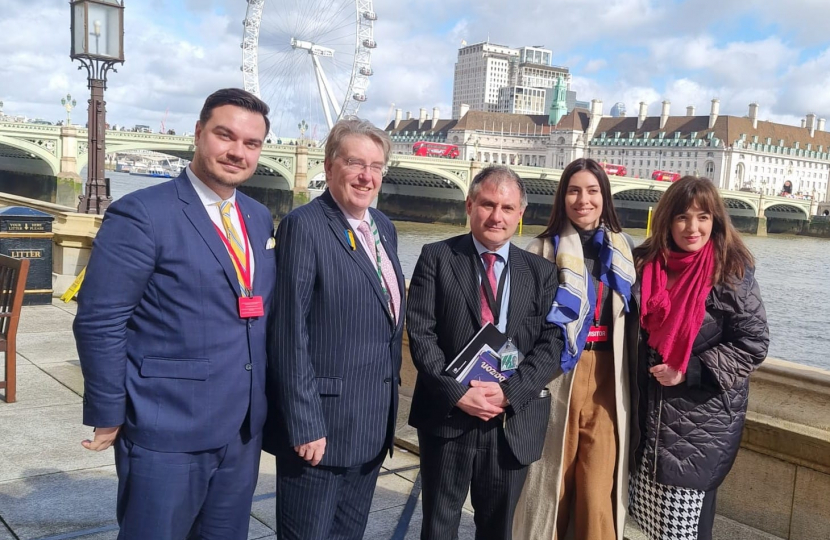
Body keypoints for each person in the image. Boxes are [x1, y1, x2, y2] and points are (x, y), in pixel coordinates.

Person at [74, 88, 276, 539]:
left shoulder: (259, 217)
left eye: (251, 143)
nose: (237, 152)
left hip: (242, 431)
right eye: (225, 135)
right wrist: (108, 410)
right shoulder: (142, 213)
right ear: (199, 133)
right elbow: (100, 320)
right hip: (167, 426)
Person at [264, 118, 405, 540]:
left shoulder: (384, 228)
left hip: (370, 427)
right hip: (320, 431)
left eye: (377, 166)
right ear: (328, 167)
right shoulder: (304, 226)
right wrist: (305, 423)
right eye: (355, 163)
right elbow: (289, 334)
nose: (367, 176)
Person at [407, 165, 564, 540]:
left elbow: (552, 342)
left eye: (507, 208)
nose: (497, 216)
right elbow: (421, 334)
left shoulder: (541, 271)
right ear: (469, 204)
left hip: (511, 422)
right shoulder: (437, 256)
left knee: (498, 529)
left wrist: (510, 392)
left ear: (520, 214)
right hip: (448, 418)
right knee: (439, 526)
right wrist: (458, 393)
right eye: (488, 204)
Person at [628, 176, 769, 540]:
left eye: (703, 217)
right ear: (666, 221)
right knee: (649, 526)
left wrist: (689, 370)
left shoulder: (730, 273)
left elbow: (753, 343)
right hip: (648, 424)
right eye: (682, 217)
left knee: (685, 531)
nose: (693, 228)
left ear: (716, 220)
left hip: (699, 427)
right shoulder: (644, 266)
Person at [513, 157, 637, 540]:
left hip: (608, 375)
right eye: (574, 190)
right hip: (557, 372)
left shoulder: (625, 250)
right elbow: (521, 322)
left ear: (605, 196)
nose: (583, 200)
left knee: (598, 489)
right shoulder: (541, 249)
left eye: (592, 191)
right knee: (551, 482)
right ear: (562, 197)